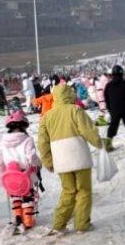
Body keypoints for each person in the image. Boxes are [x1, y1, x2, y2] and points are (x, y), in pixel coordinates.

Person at [37, 82, 103, 234]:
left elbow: (43, 143)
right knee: (83, 191)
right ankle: (82, 225)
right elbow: (88, 131)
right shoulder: (76, 110)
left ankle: (59, 225)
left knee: (68, 191)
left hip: (61, 161)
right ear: (70, 94)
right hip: (79, 157)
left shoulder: (47, 117)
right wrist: (99, 143)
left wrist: (48, 161)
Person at [0, 111, 41, 233]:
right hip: (25, 174)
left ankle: (18, 216)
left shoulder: (3, 141)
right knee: (27, 195)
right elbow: (31, 157)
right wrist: (38, 164)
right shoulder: (27, 139)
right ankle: (28, 220)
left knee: (15, 194)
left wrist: (3, 173)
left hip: (10, 175)